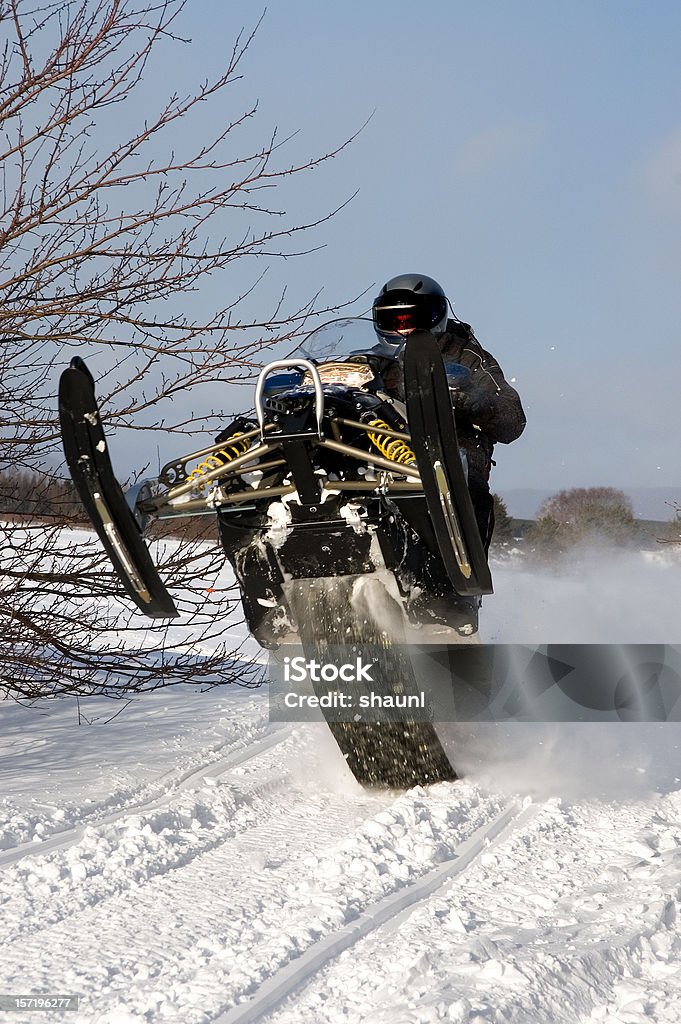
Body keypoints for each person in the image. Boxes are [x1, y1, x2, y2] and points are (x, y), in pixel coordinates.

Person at [372, 272, 526, 560]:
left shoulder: (467, 355)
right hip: (380, 450)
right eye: (394, 321)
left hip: (451, 451)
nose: (404, 329)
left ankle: (461, 576)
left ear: (435, 315)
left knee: (468, 485)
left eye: (412, 320)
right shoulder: (372, 359)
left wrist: (474, 401)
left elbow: (513, 419)